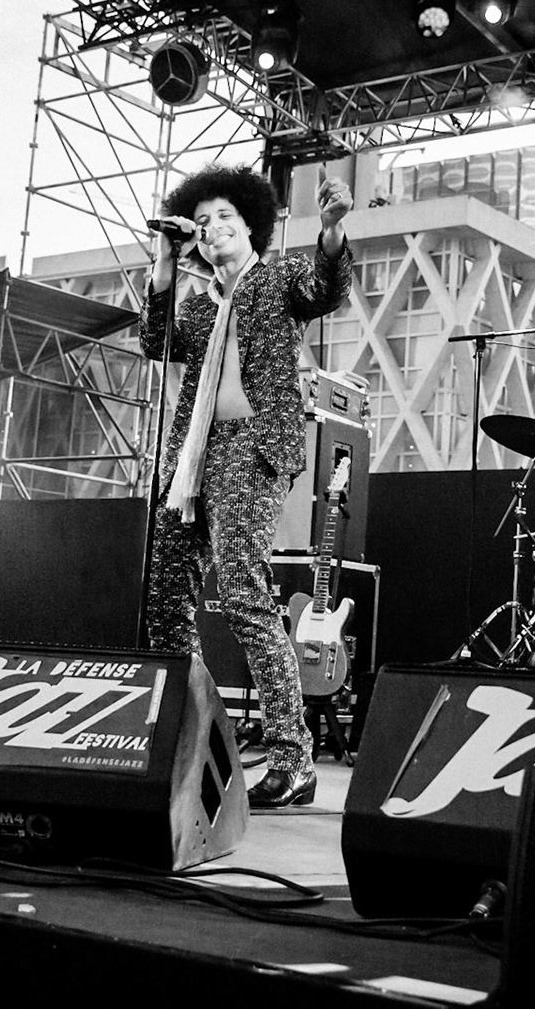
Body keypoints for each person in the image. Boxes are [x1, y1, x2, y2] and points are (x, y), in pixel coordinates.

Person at [142, 164, 353, 809]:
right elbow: (156, 341)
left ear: (250, 224)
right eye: (200, 223)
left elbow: (326, 288)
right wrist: (163, 262)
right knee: (166, 596)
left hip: (252, 447)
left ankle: (293, 758)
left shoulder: (278, 274)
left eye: (222, 218)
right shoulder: (201, 303)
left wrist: (332, 231)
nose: (210, 230)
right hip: (192, 457)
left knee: (241, 590)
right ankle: (192, 738)